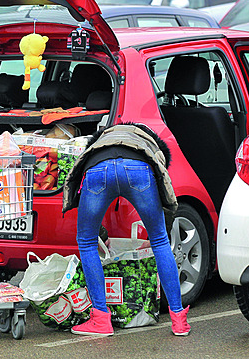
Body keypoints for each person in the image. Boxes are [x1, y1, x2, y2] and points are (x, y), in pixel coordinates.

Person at [62, 122, 191, 337]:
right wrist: (161, 229)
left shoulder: (101, 140)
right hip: (139, 168)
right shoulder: (152, 147)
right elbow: (164, 191)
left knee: (87, 242)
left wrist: (102, 234)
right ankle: (179, 320)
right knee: (160, 241)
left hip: (98, 167)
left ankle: (101, 319)